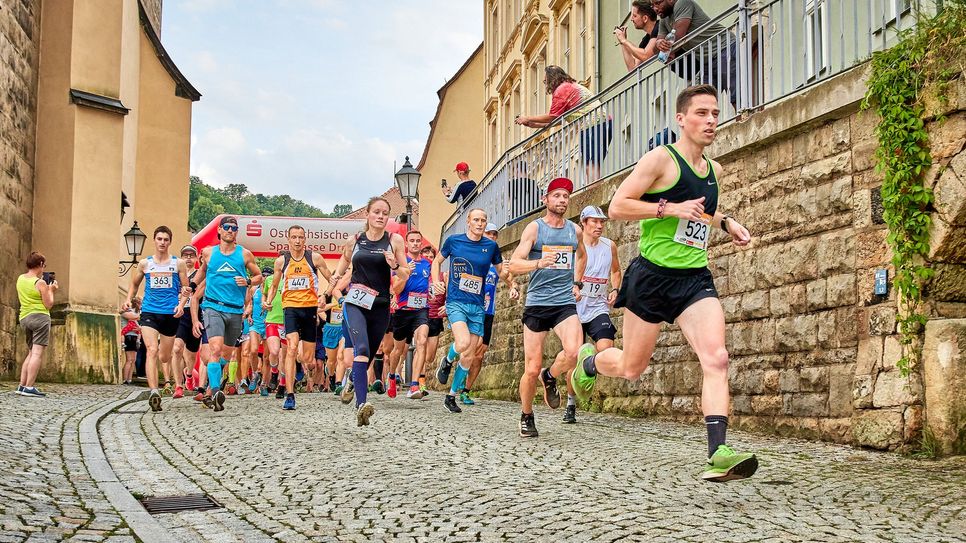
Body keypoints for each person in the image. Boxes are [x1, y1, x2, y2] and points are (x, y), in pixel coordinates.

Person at [571, 85, 758, 482]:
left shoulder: (714, 170)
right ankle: (588, 361)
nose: (711, 121)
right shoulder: (660, 159)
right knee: (630, 367)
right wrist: (669, 208)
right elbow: (618, 206)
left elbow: (704, 210)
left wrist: (726, 222)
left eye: (714, 114)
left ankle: (718, 452)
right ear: (681, 119)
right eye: (702, 114)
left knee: (717, 358)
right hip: (652, 277)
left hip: (693, 279)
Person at [508, 178, 587, 434]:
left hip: (564, 301)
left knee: (574, 353)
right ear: (546, 200)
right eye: (557, 196)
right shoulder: (535, 229)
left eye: (565, 196)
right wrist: (538, 263)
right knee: (531, 369)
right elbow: (514, 263)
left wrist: (577, 282)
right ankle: (527, 414)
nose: (562, 200)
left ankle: (550, 376)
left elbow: (582, 255)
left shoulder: (574, 231)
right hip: (537, 303)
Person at [330, 197, 410, 426]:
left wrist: (395, 265)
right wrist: (336, 276)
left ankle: (353, 381)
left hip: (381, 306)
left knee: (366, 358)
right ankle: (361, 406)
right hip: (355, 302)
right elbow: (344, 262)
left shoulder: (394, 241)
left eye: (385, 213)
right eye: (376, 212)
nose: (381, 216)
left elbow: (405, 273)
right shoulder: (354, 240)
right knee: (362, 349)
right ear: (367, 214)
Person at [431, 208, 506, 414]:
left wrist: (513, 283)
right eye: (476, 220)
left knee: (469, 356)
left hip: (477, 306)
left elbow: (501, 271)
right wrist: (437, 282)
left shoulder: (491, 246)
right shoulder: (454, 241)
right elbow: (436, 262)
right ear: (468, 222)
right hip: (456, 301)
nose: (480, 223)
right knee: (463, 343)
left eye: (483, 220)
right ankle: (446, 361)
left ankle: (451, 396)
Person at [192, 215, 263, 412]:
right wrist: (191, 286)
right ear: (220, 231)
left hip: (235, 310)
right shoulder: (208, 253)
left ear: (236, 232)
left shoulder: (244, 255)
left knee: (226, 354)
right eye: (227, 227)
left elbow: (259, 277)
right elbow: (202, 272)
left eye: (234, 228)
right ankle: (216, 391)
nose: (230, 230)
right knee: (214, 349)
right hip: (213, 306)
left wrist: (248, 282)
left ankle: (210, 388)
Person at [264, 225, 333, 410]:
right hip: (291, 308)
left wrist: (324, 295)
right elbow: (274, 285)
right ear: (288, 239)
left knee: (308, 359)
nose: (297, 240)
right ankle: (290, 394)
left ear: (305, 239)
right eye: (294, 237)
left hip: (309, 308)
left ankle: (299, 368)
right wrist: (268, 301)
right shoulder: (281, 261)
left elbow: (331, 279)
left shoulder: (314, 258)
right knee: (292, 346)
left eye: (300, 237)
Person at [122, 226, 191, 412]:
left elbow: (186, 288)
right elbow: (134, 284)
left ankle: (162, 377)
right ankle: (154, 392)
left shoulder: (178, 264)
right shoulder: (145, 264)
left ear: (170, 242)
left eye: (166, 239)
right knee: (151, 350)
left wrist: (181, 303)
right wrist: (128, 299)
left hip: (170, 314)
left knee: (164, 356)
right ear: (155, 240)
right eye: (159, 239)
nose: (162, 242)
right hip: (149, 311)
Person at [515, 66, 613, 183]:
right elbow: (557, 121)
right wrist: (532, 124)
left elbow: (553, 116)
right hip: (602, 122)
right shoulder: (570, 86)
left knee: (590, 163)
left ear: (551, 78)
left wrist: (528, 118)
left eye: (545, 80)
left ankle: (594, 190)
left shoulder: (562, 89)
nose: (545, 83)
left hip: (592, 124)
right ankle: (595, 188)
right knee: (593, 162)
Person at [459, 223, 519, 405]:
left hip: (487, 312)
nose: (492, 237)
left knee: (479, 353)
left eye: (495, 234)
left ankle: (465, 390)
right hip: (469, 309)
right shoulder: (471, 255)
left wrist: (514, 288)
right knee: (466, 348)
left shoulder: (496, 262)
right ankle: (452, 372)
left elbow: (509, 278)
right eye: (489, 233)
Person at [648, 0, 738, 109]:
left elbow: (679, 34)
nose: (655, 8)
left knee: (736, 94)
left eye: (658, 3)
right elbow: (656, 50)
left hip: (724, 46)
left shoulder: (683, 3)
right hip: (706, 60)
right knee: (701, 102)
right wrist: (659, 43)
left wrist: (667, 48)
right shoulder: (664, 20)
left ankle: (745, 119)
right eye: (652, 5)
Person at [389, 230, 432, 400]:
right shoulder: (400, 263)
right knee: (397, 350)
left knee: (421, 341)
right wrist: (406, 273)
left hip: (421, 309)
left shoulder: (428, 264)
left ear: (421, 244)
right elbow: (396, 290)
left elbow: (431, 283)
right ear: (406, 244)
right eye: (412, 241)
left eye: (417, 241)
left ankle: (414, 384)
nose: (415, 243)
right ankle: (392, 375)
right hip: (403, 310)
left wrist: (434, 289)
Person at [576, 206, 622, 353]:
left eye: (602, 222)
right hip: (574, 308)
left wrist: (615, 289)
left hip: (598, 307)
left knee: (606, 348)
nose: (599, 226)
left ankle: (588, 368)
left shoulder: (610, 246)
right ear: (583, 222)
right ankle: (548, 374)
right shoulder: (573, 246)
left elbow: (616, 271)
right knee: (574, 356)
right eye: (594, 221)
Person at [16, 251, 58, 397]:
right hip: (40, 318)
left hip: (24, 318)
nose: (44, 268)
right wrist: (51, 290)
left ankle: (22, 385)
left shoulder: (20, 278)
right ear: (40, 264)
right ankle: (29, 387)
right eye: (44, 265)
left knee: (31, 352)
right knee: (37, 353)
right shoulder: (40, 283)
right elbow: (48, 304)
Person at [171, 245, 201, 399]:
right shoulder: (175, 276)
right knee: (177, 349)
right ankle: (178, 385)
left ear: (196, 258)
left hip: (194, 315)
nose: (188, 258)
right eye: (185, 255)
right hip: (179, 315)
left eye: (191, 255)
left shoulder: (199, 275)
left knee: (191, 355)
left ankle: (189, 373)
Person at [615, 1, 659, 71]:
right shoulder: (646, 39)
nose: (631, 19)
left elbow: (646, 55)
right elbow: (632, 67)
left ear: (645, 18)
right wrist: (622, 42)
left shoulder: (659, 28)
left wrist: (624, 40)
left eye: (634, 16)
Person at [120, 298, 142, 385]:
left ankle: (129, 379)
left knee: (133, 360)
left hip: (135, 337)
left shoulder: (136, 312)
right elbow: (135, 317)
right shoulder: (127, 312)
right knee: (129, 360)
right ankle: (125, 379)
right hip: (128, 336)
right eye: (140, 303)